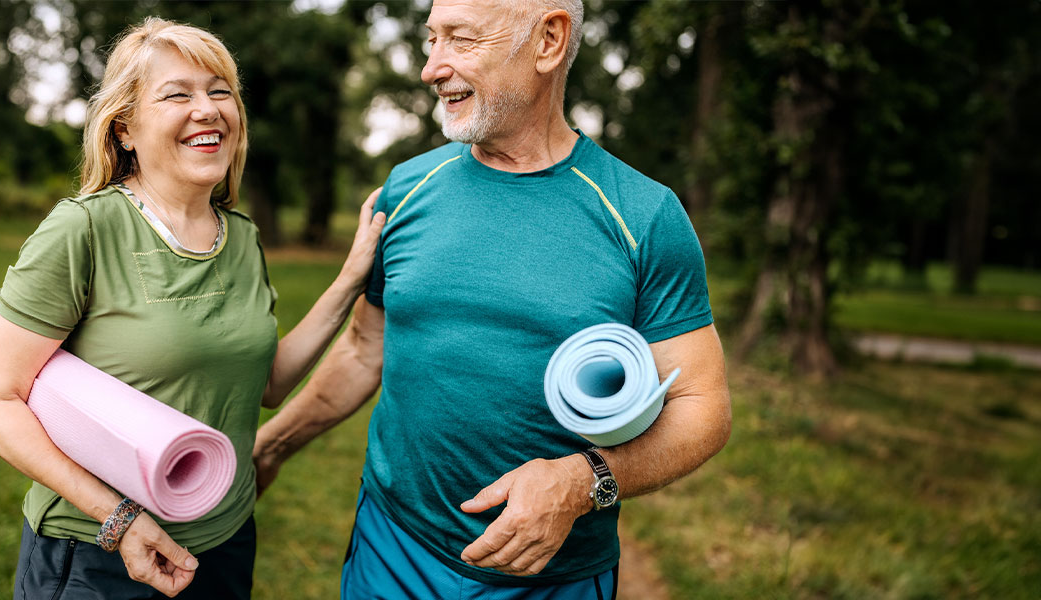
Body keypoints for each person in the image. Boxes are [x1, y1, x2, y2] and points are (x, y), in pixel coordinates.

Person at [252, 0, 732, 598]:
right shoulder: (405, 188)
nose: (431, 67)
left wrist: (582, 481)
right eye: (431, 39)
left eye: (460, 39)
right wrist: (270, 448)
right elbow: (364, 349)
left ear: (549, 41)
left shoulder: (643, 216)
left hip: (550, 578)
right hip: (393, 547)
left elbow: (701, 406)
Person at [0, 17, 384, 600]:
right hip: (99, 553)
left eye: (220, 91)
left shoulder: (242, 236)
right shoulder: (83, 230)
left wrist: (350, 279)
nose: (206, 109)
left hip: (227, 539)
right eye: (177, 94)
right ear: (125, 128)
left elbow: (266, 385)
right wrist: (119, 522)